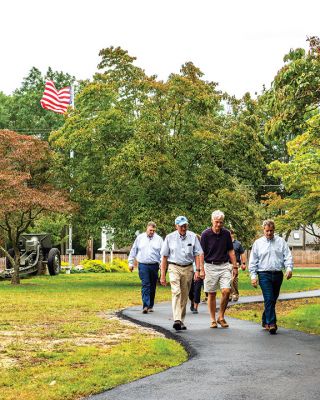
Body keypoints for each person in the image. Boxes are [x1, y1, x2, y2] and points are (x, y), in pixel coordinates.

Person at [249, 219, 293, 334]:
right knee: (269, 298)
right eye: (267, 231)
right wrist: (253, 276)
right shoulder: (258, 243)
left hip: (278, 274)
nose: (269, 233)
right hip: (264, 274)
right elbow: (253, 261)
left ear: (274, 230)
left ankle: (265, 320)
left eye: (271, 231)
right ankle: (272, 323)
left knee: (272, 300)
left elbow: (288, 256)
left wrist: (289, 269)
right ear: (263, 230)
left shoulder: (281, 242)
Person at [160, 216, 203, 331]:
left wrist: (198, 270)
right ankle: (177, 319)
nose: (184, 228)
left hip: (188, 268)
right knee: (176, 292)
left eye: (185, 226)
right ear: (176, 226)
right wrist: (163, 275)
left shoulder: (193, 236)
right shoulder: (169, 238)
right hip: (174, 267)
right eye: (181, 226)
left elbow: (198, 254)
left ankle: (181, 321)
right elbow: (164, 257)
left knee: (184, 296)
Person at [200, 210, 238, 329]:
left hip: (224, 265)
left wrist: (235, 266)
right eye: (216, 222)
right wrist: (201, 269)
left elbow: (230, 250)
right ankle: (212, 319)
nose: (218, 225)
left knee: (226, 291)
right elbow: (201, 253)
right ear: (212, 221)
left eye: (221, 222)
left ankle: (221, 316)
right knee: (211, 293)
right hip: (210, 266)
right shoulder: (205, 234)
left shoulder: (226, 234)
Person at [128, 221, 163, 314]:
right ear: (147, 228)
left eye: (153, 230)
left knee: (152, 285)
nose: (152, 232)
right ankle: (145, 305)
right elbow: (133, 250)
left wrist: (162, 266)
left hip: (154, 265)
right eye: (150, 230)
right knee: (145, 284)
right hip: (143, 265)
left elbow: (162, 254)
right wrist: (130, 263)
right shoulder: (140, 238)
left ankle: (151, 305)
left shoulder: (159, 239)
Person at [229, 230, 246, 302]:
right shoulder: (224, 243)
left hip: (235, 264)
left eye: (230, 234)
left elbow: (242, 254)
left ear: (233, 235)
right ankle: (229, 295)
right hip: (226, 264)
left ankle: (235, 294)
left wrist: (244, 263)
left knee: (233, 280)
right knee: (227, 280)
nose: (229, 235)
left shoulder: (238, 244)